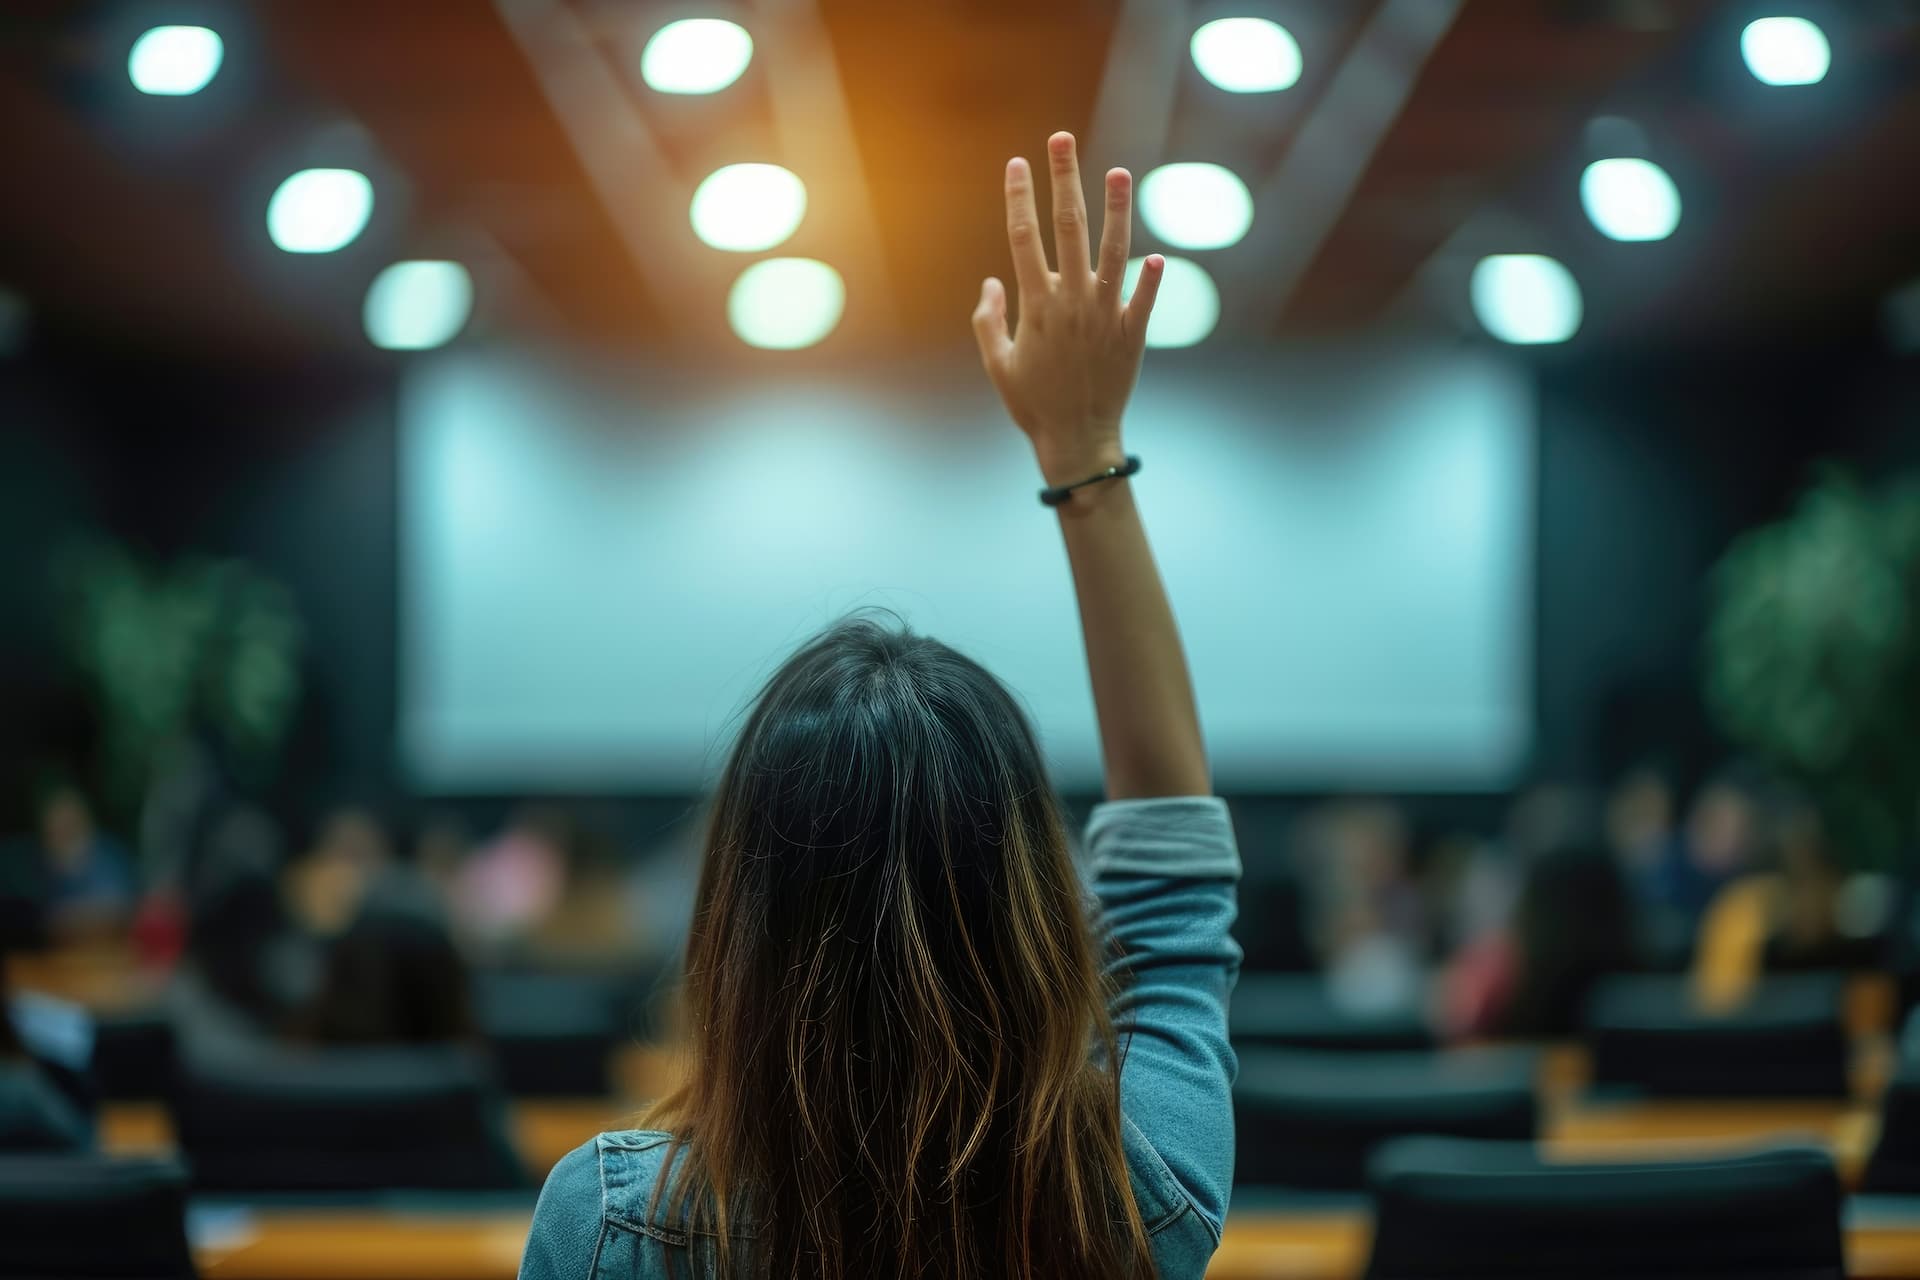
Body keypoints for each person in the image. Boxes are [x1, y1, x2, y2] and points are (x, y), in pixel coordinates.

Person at [521, 131, 1238, 1280]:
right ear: (1034, 917)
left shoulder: (606, 1224)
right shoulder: (1140, 1201)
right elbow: (1174, 892)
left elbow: (1175, 888)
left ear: (737, 919)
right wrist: (1085, 451)